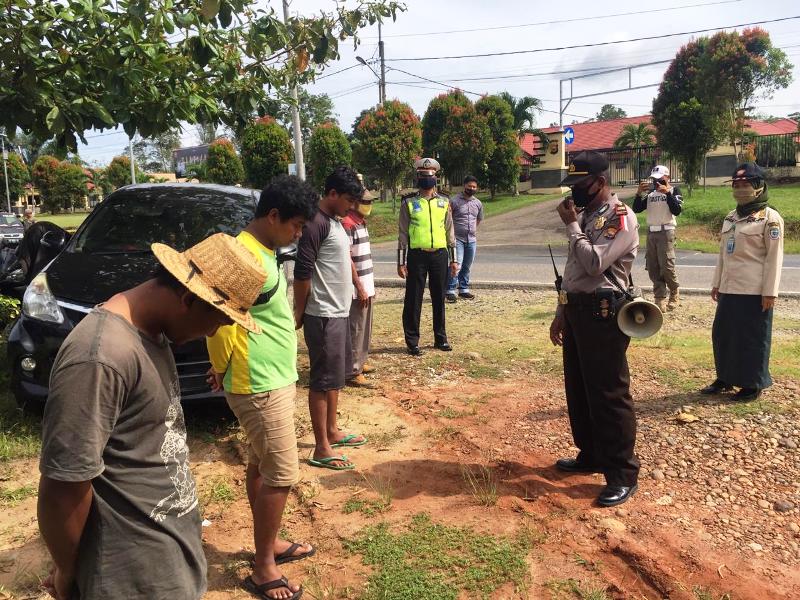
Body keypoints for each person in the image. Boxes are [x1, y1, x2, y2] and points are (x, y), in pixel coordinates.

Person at [38, 233, 267, 600]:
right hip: (129, 579)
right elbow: (63, 487)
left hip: (165, 567)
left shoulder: (152, 334)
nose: (216, 331)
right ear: (188, 298)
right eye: (220, 320)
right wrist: (68, 571)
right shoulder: (99, 357)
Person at [206, 176, 318, 600]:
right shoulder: (244, 259)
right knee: (282, 473)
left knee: (260, 464)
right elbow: (218, 321)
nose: (299, 233)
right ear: (273, 216)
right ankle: (263, 568)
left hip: (271, 377)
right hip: (258, 383)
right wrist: (222, 366)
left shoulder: (265, 251)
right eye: (295, 225)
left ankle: (266, 545)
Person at [549, 151, 641, 508]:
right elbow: (572, 274)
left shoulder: (620, 218)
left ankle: (621, 474)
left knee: (608, 394)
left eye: (579, 185)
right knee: (580, 389)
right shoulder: (587, 215)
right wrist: (561, 311)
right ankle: (590, 454)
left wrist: (571, 226)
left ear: (600, 183)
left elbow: (593, 263)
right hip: (578, 311)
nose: (573, 193)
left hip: (604, 314)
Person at [294, 166, 366, 471]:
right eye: (348, 199)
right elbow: (302, 273)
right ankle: (321, 447)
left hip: (338, 311)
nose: (352, 206)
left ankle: (333, 431)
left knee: (334, 378)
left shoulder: (335, 222)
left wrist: (358, 284)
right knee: (322, 382)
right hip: (322, 315)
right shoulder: (315, 224)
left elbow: (343, 259)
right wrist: (300, 311)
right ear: (332, 194)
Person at [701, 162, 784, 401]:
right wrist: (717, 282)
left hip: (755, 290)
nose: (740, 189)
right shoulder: (731, 216)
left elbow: (774, 259)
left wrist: (770, 292)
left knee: (752, 337)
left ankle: (752, 383)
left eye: (745, 184)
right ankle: (725, 377)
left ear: (758, 187)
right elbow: (722, 254)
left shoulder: (770, 218)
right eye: (736, 185)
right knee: (724, 335)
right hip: (729, 287)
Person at [397, 158, 458, 356]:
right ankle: (412, 341)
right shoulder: (409, 202)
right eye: (423, 176)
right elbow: (402, 233)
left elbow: (450, 231)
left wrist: (454, 259)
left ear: (436, 178)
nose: (427, 180)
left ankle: (441, 338)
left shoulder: (444, 202)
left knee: (439, 297)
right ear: (418, 178)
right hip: (417, 255)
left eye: (430, 176)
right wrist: (401, 262)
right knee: (414, 298)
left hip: (439, 255)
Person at [632, 165, 683, 312]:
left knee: (666, 266)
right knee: (653, 267)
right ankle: (659, 297)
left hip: (666, 231)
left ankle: (674, 291)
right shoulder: (651, 194)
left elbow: (677, 210)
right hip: (651, 232)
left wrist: (667, 194)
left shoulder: (674, 191)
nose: (657, 182)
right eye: (654, 179)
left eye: (660, 179)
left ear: (667, 177)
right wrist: (638, 193)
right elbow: (637, 209)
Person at [343, 184, 377, 388]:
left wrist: (369, 287)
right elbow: (348, 259)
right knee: (355, 328)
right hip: (357, 288)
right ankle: (352, 371)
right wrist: (360, 287)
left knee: (364, 327)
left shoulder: (361, 222)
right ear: (354, 203)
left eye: (370, 202)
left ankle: (360, 362)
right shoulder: (348, 224)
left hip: (366, 284)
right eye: (365, 202)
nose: (368, 205)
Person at [446, 175, 483, 303]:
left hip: (471, 240)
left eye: (474, 187)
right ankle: (450, 290)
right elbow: (448, 220)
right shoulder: (454, 201)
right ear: (464, 186)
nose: (471, 188)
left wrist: (471, 230)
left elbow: (478, 219)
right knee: (457, 265)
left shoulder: (478, 203)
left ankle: (463, 289)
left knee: (467, 266)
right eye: (469, 186)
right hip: (457, 239)